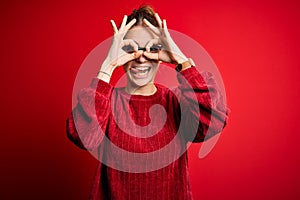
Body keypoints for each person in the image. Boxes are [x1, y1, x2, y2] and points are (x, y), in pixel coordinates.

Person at [66, 5, 228, 200]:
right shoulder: (106, 101)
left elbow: (213, 120)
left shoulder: (177, 101)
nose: (141, 58)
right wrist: (107, 66)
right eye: (129, 49)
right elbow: (83, 136)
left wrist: (181, 60)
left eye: (151, 49)